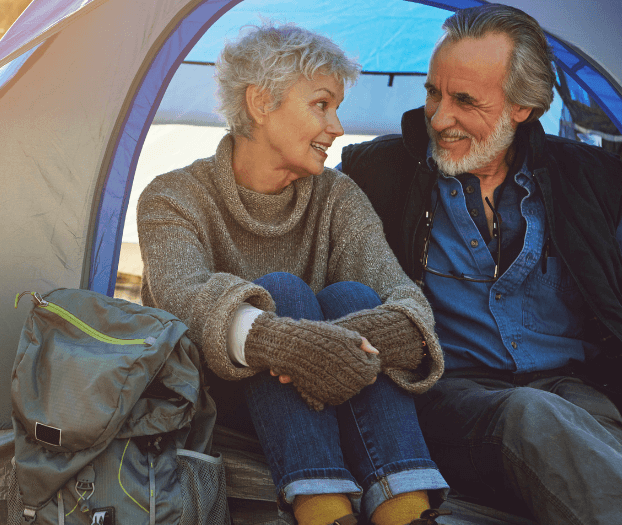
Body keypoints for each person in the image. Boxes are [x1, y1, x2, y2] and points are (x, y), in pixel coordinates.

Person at [338, 4, 622, 524]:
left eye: (464, 101)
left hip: (575, 395)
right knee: (530, 416)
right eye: (433, 93)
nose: (439, 118)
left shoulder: (594, 183)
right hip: (447, 399)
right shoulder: (379, 172)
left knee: (576, 443)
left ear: (522, 106)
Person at [136, 22, 452, 525]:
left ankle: (406, 511)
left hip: (338, 387)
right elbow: (181, 300)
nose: (339, 128)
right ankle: (323, 509)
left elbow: (408, 305)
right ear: (262, 103)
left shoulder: (338, 196)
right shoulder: (173, 197)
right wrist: (287, 344)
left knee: (354, 294)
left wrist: (339, 347)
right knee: (279, 290)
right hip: (219, 395)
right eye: (322, 105)